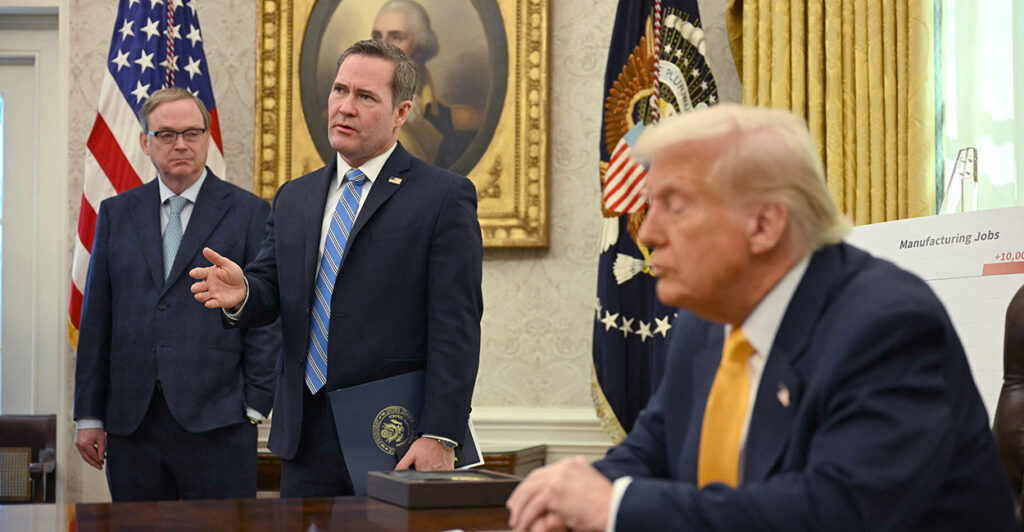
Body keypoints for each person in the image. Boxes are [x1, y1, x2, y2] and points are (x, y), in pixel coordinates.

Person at [505, 104, 1018, 531]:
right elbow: (649, 452)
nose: (648, 233)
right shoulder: (706, 324)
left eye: (675, 205)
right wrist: (568, 502)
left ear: (765, 224)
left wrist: (613, 508)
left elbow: (833, 514)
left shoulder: (886, 325)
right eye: (648, 206)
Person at [190, 40, 483, 498]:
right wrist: (244, 291)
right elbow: (272, 287)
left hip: (391, 439)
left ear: (401, 112)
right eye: (339, 90)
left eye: (365, 97)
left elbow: (456, 326)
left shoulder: (443, 197)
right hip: (302, 437)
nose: (345, 107)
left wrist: (441, 434)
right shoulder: (295, 196)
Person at [73, 87, 280, 502]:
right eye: (166, 135)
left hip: (220, 422)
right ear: (145, 143)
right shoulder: (116, 213)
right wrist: (89, 415)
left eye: (192, 132)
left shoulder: (250, 212)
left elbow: (267, 313)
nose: (181, 144)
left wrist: (256, 402)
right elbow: (98, 318)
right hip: (133, 424)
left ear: (207, 138)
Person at [371, 0, 482, 168]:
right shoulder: (344, 118)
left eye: (396, 37)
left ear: (420, 49)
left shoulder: (461, 122)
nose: (382, 47)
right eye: (377, 37)